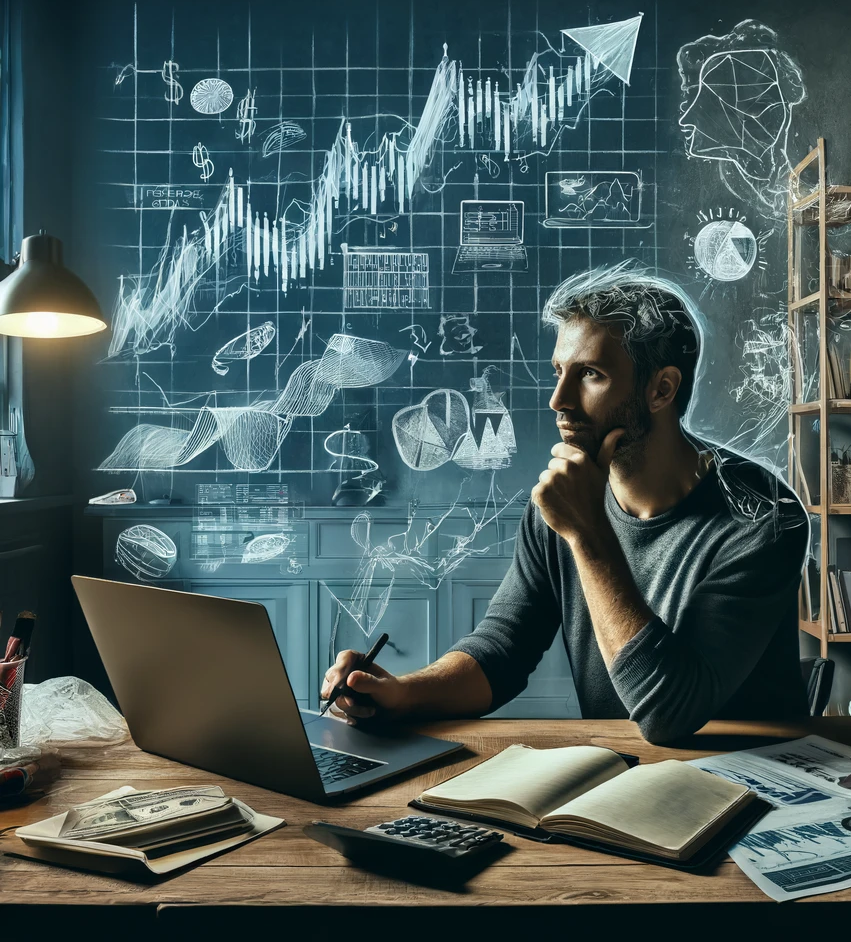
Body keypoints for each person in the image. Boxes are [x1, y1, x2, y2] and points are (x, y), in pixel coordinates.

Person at [321, 263, 810, 743]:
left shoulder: (762, 517)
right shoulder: (564, 501)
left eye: (591, 374)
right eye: (559, 370)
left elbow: (669, 712)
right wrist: (403, 693)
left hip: (753, 788)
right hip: (622, 777)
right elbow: (502, 650)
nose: (558, 399)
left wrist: (588, 532)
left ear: (661, 389)